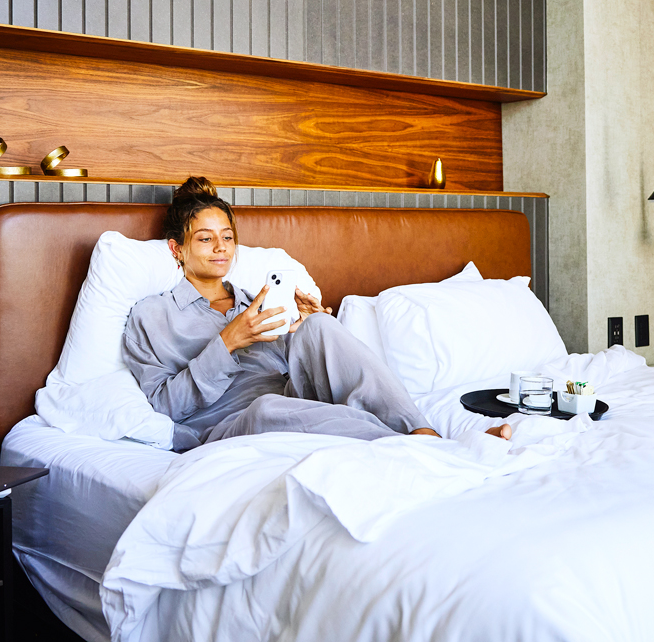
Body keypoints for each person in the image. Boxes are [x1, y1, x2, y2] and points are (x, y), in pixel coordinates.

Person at [123, 178, 512, 450]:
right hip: (229, 423)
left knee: (320, 325)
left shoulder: (253, 300)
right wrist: (226, 343)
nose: (220, 248)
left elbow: (293, 369)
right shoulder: (152, 316)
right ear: (177, 250)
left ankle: (422, 433)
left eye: (227, 237)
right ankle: (427, 450)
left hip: (295, 399)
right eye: (205, 239)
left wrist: (305, 330)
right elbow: (164, 406)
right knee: (267, 408)